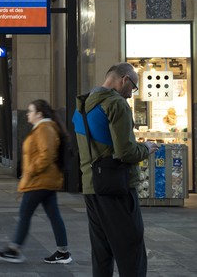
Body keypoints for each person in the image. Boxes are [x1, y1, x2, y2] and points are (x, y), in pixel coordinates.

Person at [72, 62, 159, 276]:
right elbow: (126, 152)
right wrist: (146, 148)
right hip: (116, 187)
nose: (131, 94)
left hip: (92, 187)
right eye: (134, 87)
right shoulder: (116, 104)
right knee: (131, 248)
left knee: (102, 251)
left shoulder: (82, 106)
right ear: (125, 80)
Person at [0, 99, 72, 264]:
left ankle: (14, 249)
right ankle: (63, 252)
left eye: (30, 111)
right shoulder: (43, 128)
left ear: (39, 114)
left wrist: (30, 171)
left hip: (39, 181)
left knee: (25, 214)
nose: (27, 114)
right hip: (45, 180)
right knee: (53, 215)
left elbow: (47, 155)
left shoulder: (45, 129)